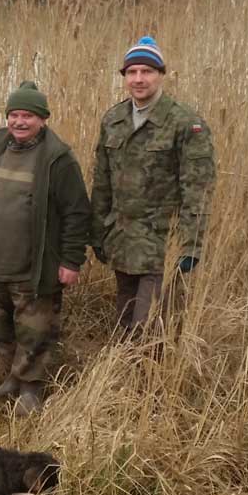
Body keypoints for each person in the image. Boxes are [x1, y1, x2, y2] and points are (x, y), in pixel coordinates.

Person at [0, 82, 94, 412]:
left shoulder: (58, 158)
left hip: (34, 264)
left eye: (28, 116)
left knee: (34, 328)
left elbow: (77, 212)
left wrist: (71, 261)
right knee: (0, 324)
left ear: (43, 119)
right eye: (14, 115)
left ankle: (31, 390)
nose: (19, 122)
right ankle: (11, 379)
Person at [91, 36, 217, 341]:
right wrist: (98, 233)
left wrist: (190, 246)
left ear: (161, 74)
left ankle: (150, 372)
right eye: (132, 72)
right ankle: (125, 371)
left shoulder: (185, 123)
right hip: (122, 241)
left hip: (162, 245)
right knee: (124, 324)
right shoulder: (114, 119)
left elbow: (197, 189)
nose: (139, 79)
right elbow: (102, 182)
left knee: (148, 328)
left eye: (146, 71)